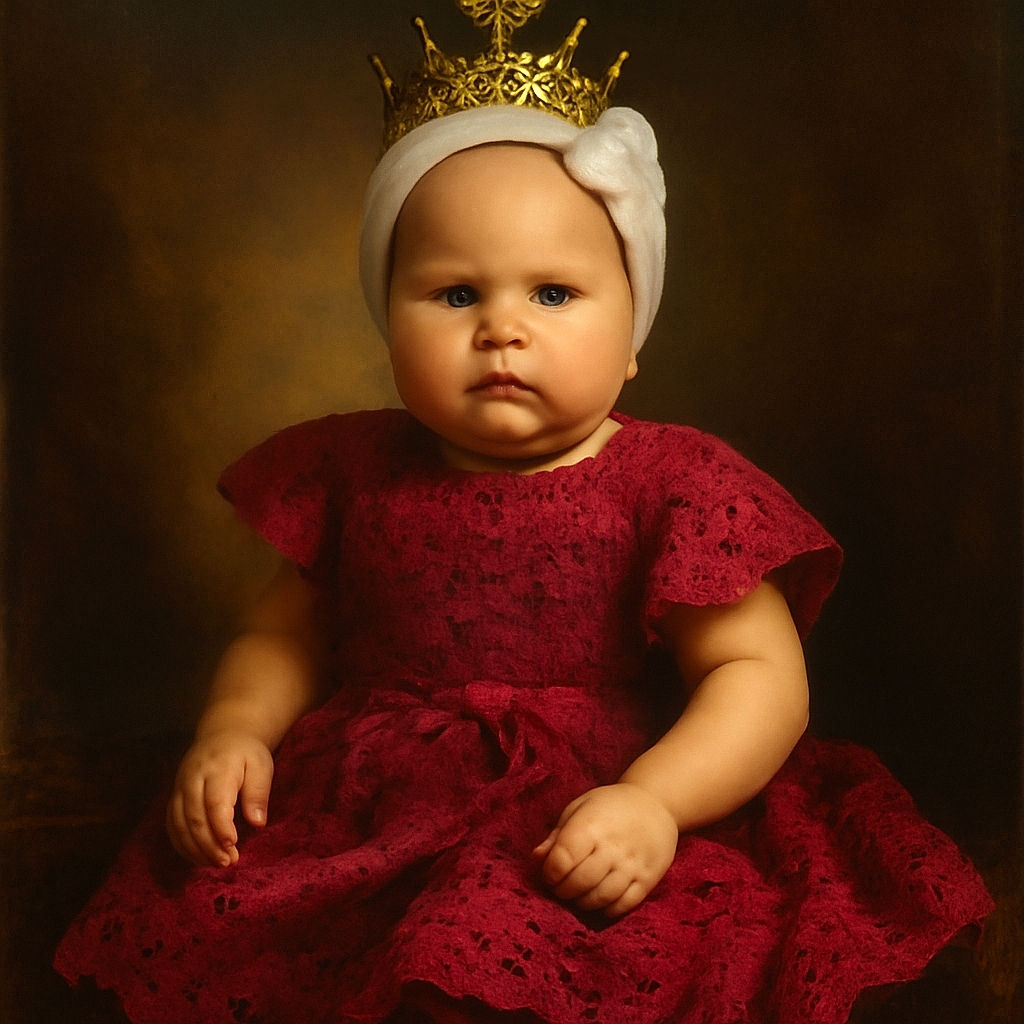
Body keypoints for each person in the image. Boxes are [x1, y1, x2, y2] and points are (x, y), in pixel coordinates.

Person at [55, 3, 993, 1022]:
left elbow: (757, 678)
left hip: (596, 803)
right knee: (263, 932)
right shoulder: (353, 470)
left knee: (607, 952)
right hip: (376, 806)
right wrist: (235, 729)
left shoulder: (674, 483)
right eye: (455, 295)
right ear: (385, 316)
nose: (502, 327)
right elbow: (280, 635)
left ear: (632, 335)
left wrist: (655, 803)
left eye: (552, 293)